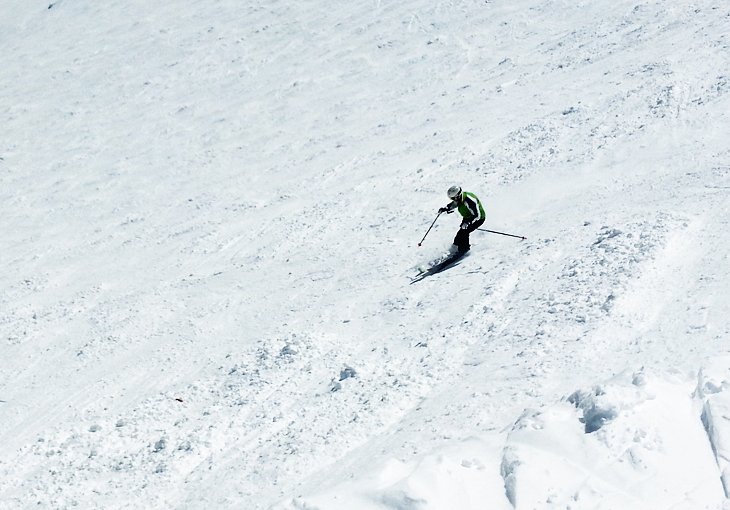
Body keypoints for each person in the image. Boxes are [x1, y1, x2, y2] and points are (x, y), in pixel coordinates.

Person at [438, 185, 485, 254]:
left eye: (453, 198)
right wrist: (446, 208)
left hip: (477, 219)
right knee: (460, 233)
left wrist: (468, 222)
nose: (453, 200)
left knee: (465, 232)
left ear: (457, 196)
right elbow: (455, 204)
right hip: (468, 217)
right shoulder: (460, 198)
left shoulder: (469, 201)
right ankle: (455, 247)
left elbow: (477, 215)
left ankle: (464, 249)